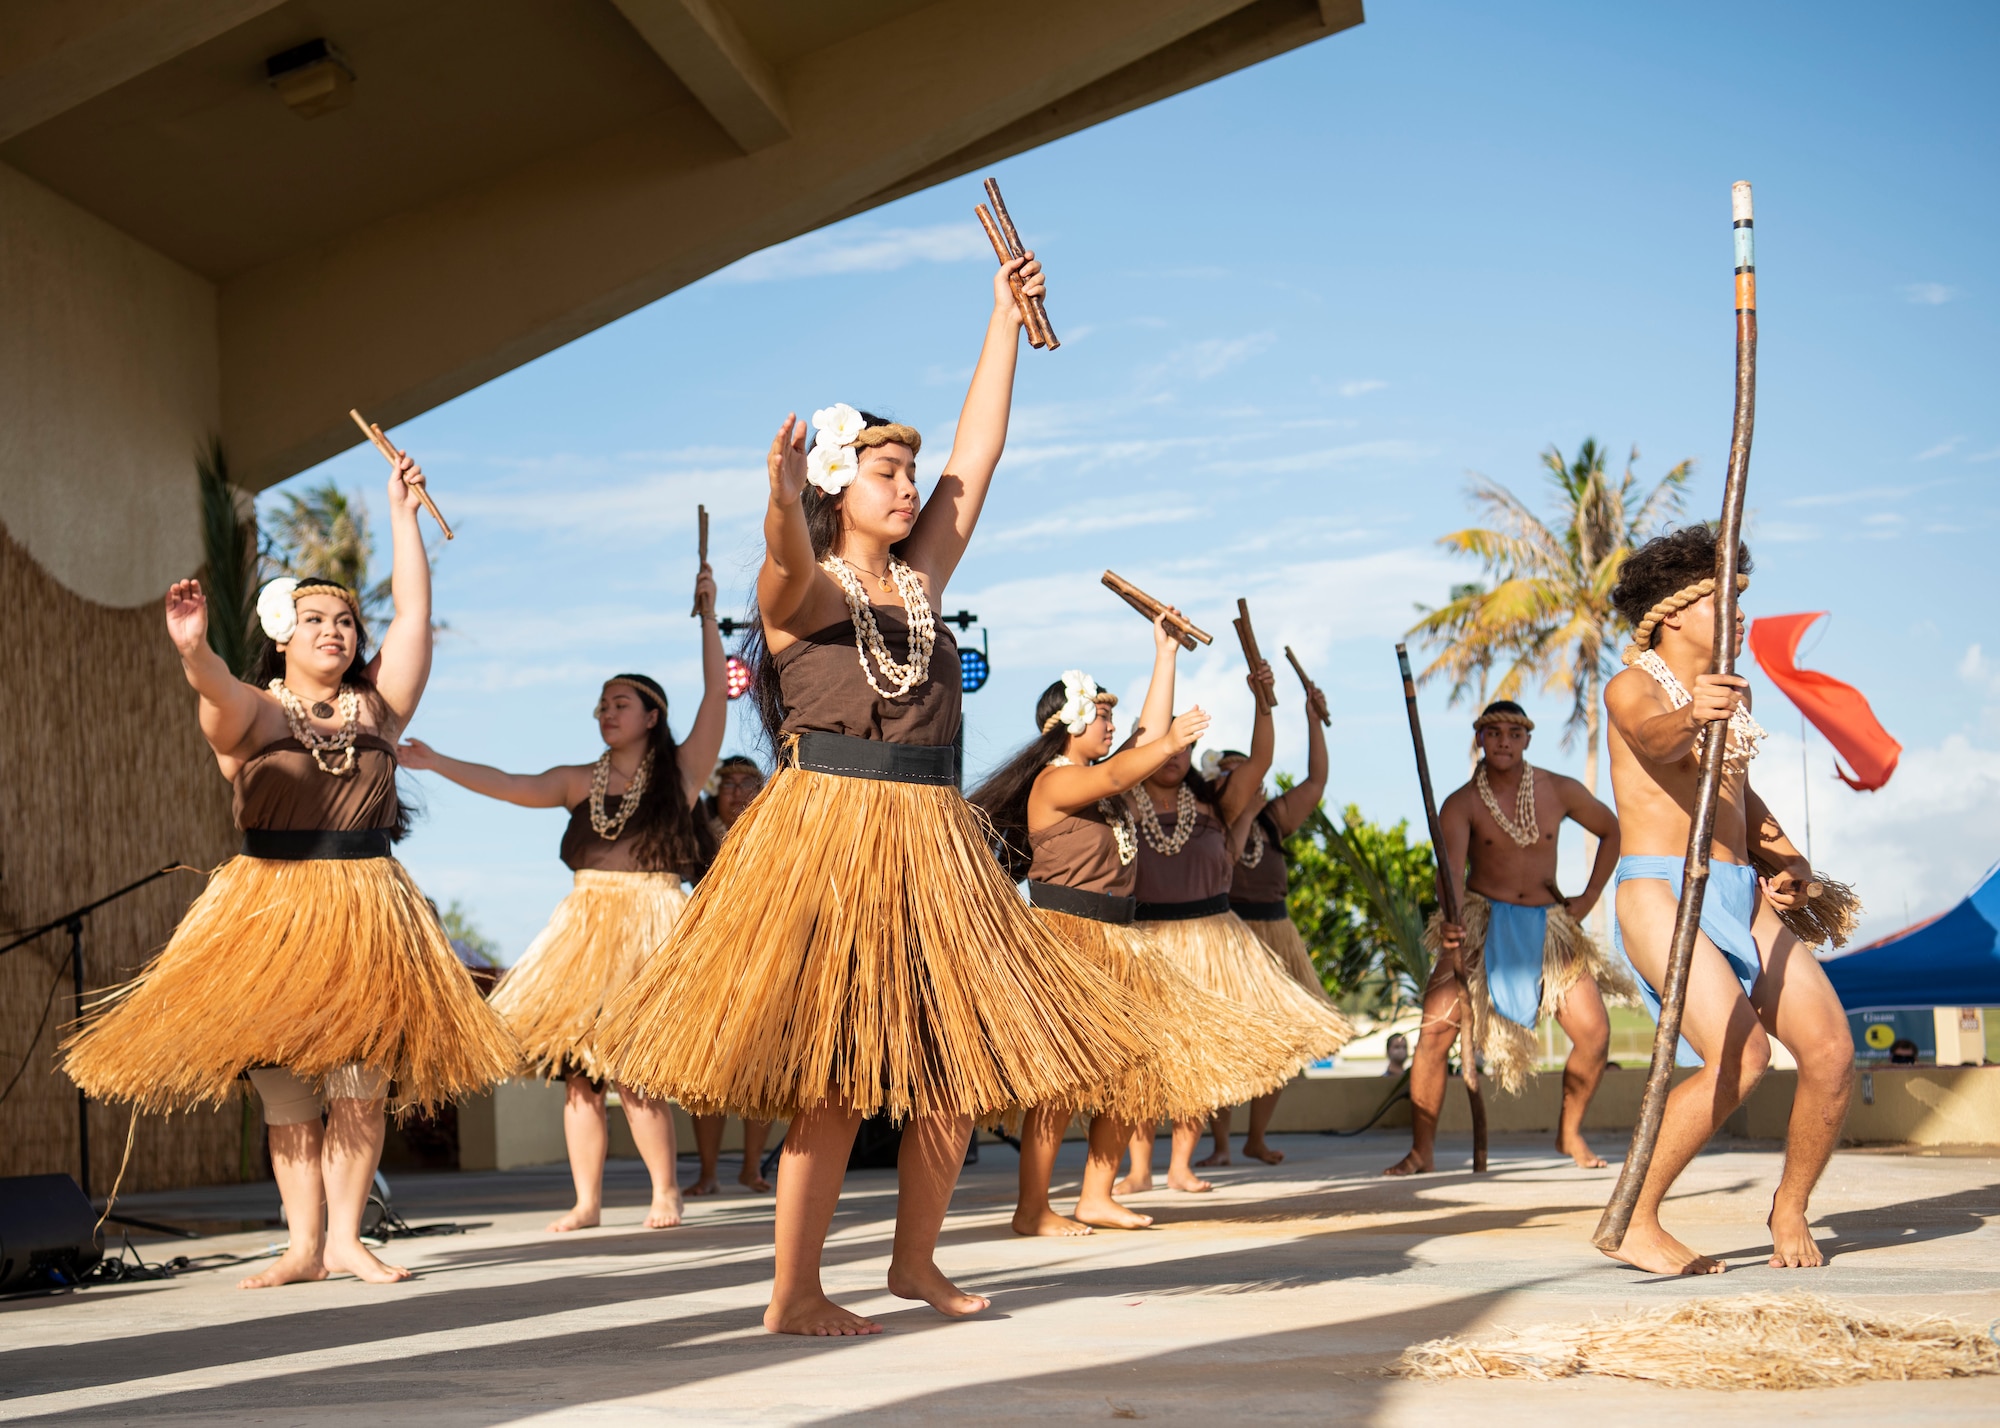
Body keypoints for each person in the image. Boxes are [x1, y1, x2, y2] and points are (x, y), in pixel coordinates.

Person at [596, 251, 1144, 1336]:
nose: (907, 487)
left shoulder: (924, 585)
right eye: (884, 473)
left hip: (931, 836)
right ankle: (793, 1291)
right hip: (833, 831)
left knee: (952, 1073)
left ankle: (913, 1265)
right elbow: (782, 560)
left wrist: (999, 320)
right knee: (838, 1074)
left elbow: (976, 462)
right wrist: (775, 496)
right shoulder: (795, 591)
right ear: (835, 486)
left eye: (907, 473)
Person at [63, 450, 517, 1289]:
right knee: (285, 1093)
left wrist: (402, 516)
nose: (332, 632)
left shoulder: (381, 706)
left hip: (366, 902)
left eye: (343, 622)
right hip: (269, 908)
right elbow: (214, 692)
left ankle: (346, 1238)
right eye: (314, 620)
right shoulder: (256, 710)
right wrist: (193, 650)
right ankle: (302, 1245)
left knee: (358, 1081)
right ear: (283, 633)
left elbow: (413, 615)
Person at [397, 560, 726, 1233]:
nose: (606, 712)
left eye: (620, 702)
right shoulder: (580, 779)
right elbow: (513, 783)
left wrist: (710, 620)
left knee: (635, 1069)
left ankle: (666, 1192)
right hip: (586, 923)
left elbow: (717, 694)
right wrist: (439, 763)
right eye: (602, 703)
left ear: (652, 715)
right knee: (577, 1072)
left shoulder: (682, 773)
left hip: (653, 922)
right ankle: (587, 1202)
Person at [970, 623, 1302, 1237]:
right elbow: (1128, 766)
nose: (1110, 724)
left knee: (1136, 1073)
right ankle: (1033, 1208)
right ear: (1069, 724)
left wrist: (1165, 653)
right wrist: (1168, 737)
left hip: (1121, 941)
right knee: (1061, 1084)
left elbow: (1143, 743)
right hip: (1067, 939)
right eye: (1100, 714)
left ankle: (1096, 1195)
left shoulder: (1109, 775)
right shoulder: (1058, 781)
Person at [1600, 525, 1851, 1274]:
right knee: (1741, 1060)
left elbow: (1740, 790)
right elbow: (1653, 740)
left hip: (1740, 891)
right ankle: (1635, 1220)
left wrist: (1789, 857)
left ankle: (1790, 1206)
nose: (1738, 614)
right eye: (1723, 600)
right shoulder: (1634, 683)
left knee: (1832, 1053)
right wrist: (1693, 715)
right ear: (1674, 613)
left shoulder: (1728, 700)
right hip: (1660, 890)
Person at [1116, 669, 1354, 1195]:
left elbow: (1262, 763)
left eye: (1180, 745)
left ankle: (1180, 1164)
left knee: (1197, 1056)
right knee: (1144, 1060)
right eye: (1159, 743)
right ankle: (1137, 1169)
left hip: (1209, 941)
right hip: (1146, 941)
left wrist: (1262, 704)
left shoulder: (1214, 806)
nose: (1172, 755)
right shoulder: (1123, 802)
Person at [1383, 699, 1628, 1177]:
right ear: (1480, 739)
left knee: (1594, 1032)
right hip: (1478, 920)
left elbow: (1611, 830)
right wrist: (1451, 915)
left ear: (1527, 740)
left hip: (1549, 925)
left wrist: (1590, 895)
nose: (1503, 741)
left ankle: (1569, 1131)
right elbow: (1451, 868)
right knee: (1434, 1034)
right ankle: (1421, 1151)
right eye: (1493, 732)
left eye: (1513, 733)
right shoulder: (1462, 802)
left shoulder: (1558, 790)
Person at [1199, 676, 1338, 1168]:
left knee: (1283, 1044)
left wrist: (1312, 720)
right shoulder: (1209, 820)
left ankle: (1255, 1138)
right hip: (1231, 938)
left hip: (1276, 934)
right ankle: (1219, 1144)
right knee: (1224, 1040)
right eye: (1233, 773)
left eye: (1248, 773)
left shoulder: (1273, 819)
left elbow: (1316, 782)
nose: (1246, 781)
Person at [688, 755, 775, 1196]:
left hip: (763, 954)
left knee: (759, 1064)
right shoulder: (698, 834)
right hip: (707, 957)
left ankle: (751, 1167)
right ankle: (707, 1172)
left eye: (748, 783)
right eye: (729, 784)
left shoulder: (779, 832)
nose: (738, 792)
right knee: (705, 1067)